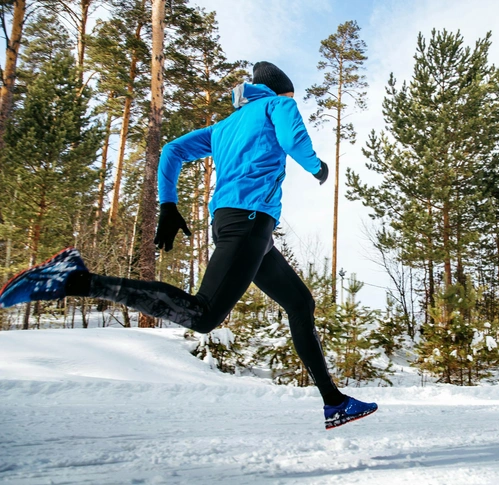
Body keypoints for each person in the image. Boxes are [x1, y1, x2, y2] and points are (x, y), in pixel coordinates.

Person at [0, 61, 377, 430]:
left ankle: (334, 403)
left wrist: (169, 204)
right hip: (249, 223)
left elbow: (172, 151)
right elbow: (292, 137)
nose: (293, 102)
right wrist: (316, 166)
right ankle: (77, 280)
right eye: (291, 96)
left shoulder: (223, 126)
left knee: (299, 303)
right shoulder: (279, 104)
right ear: (280, 90)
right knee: (203, 315)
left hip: (244, 228)